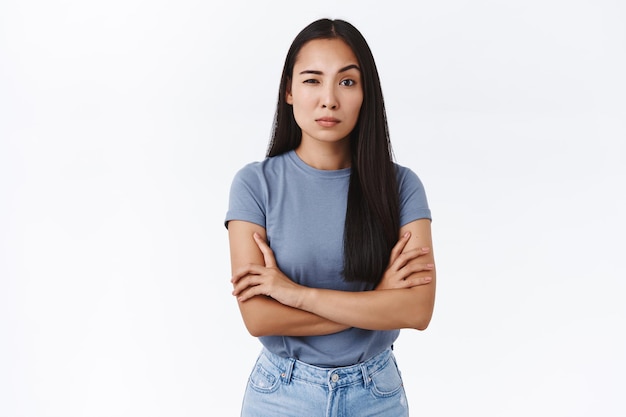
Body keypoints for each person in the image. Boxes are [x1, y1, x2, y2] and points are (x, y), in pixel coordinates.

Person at [225, 18, 436, 417]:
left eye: (346, 82)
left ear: (365, 93)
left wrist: (295, 295)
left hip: (376, 395)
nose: (328, 100)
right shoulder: (255, 185)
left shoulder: (401, 186)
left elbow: (416, 311)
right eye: (311, 80)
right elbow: (258, 318)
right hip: (281, 395)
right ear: (288, 90)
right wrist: (376, 301)